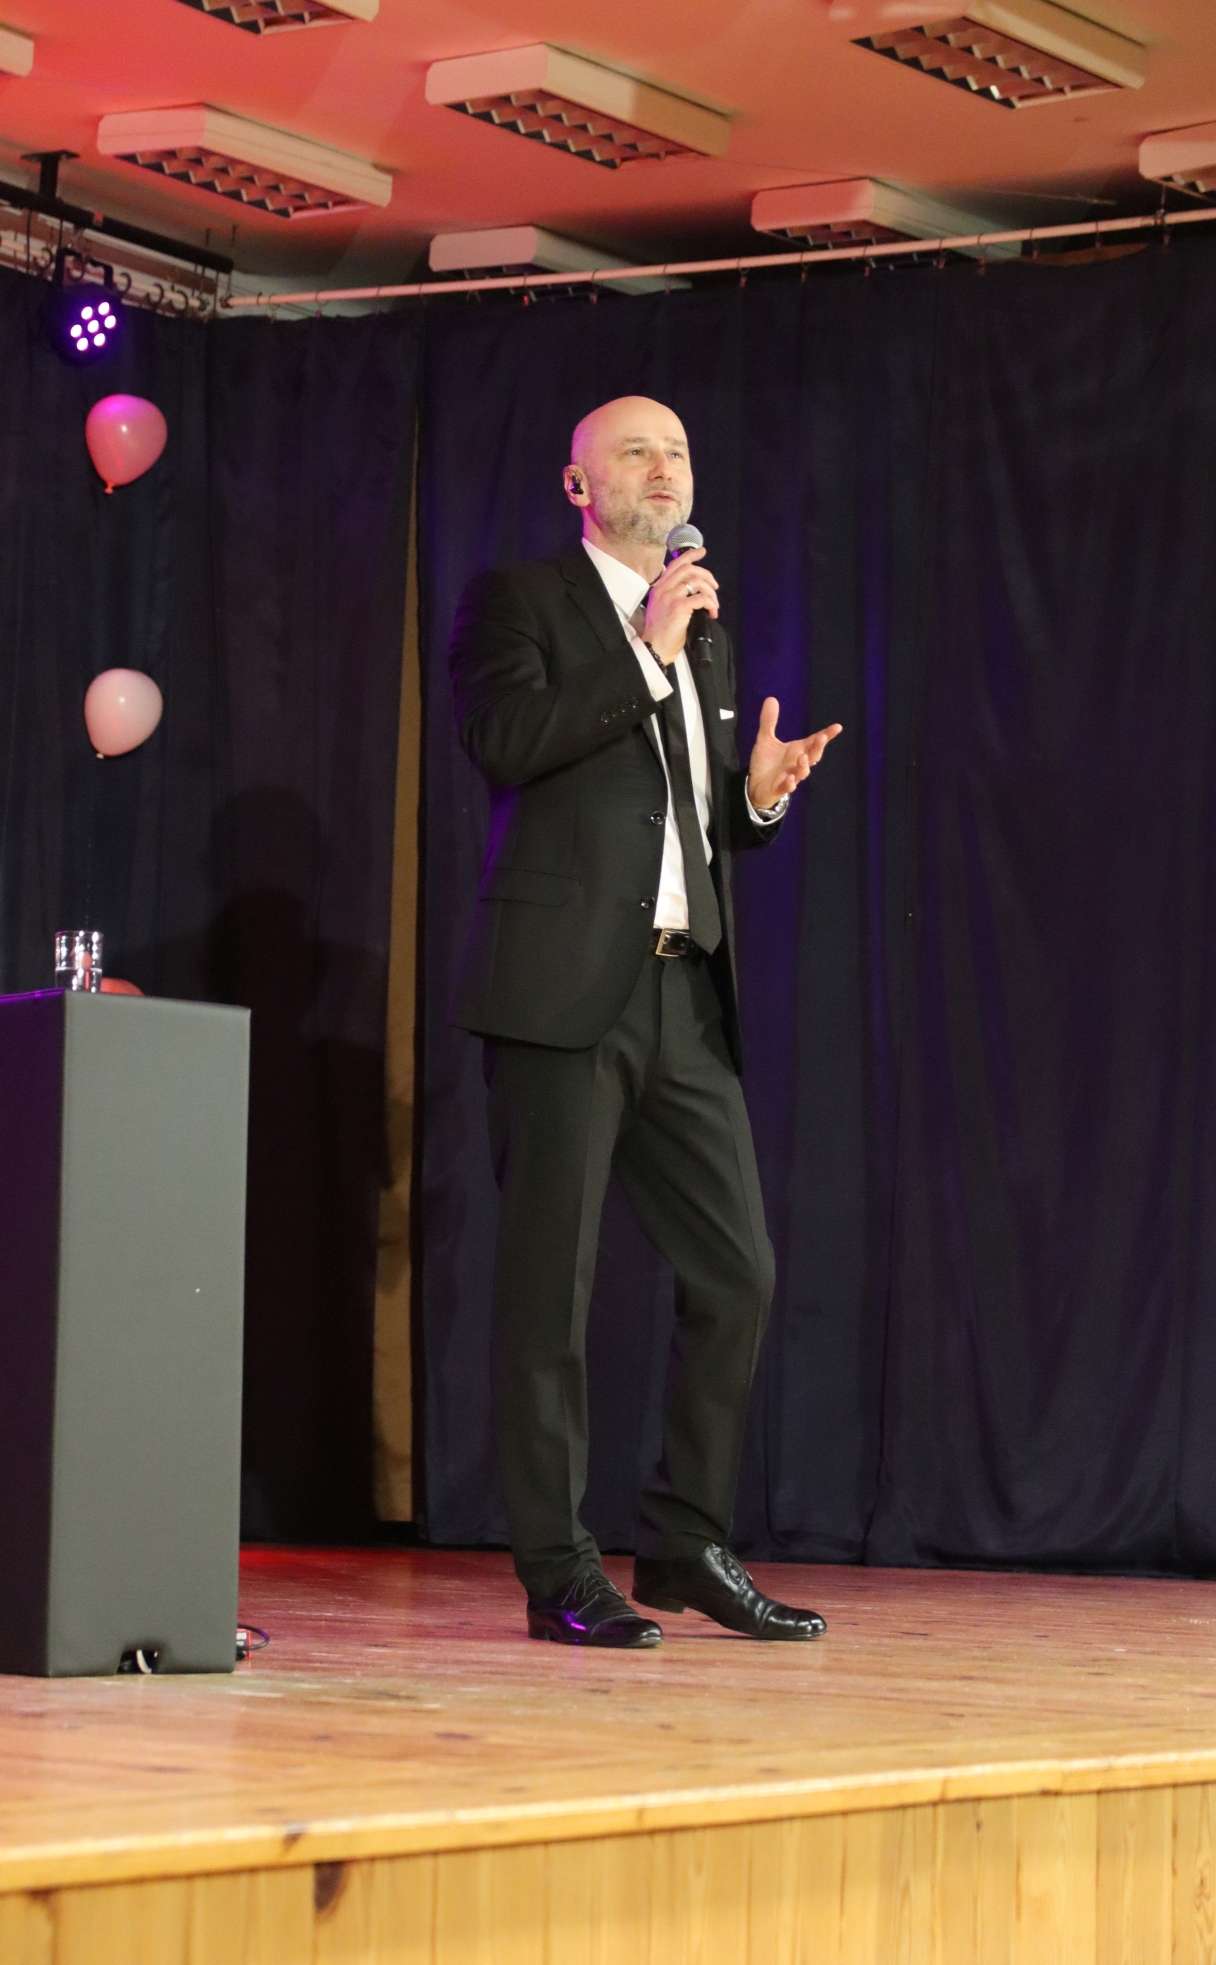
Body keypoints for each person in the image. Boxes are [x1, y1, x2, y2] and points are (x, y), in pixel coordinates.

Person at [448, 396, 842, 1648]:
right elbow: (506, 741)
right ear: (579, 485)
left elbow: (678, 816)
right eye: (635, 451)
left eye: (677, 450)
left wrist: (754, 800)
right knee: (549, 1292)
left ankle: (684, 1538)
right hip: (560, 988)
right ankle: (558, 1567)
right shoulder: (522, 602)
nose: (663, 468)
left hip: (681, 986)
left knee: (738, 1270)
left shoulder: (701, 629)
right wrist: (639, 650)